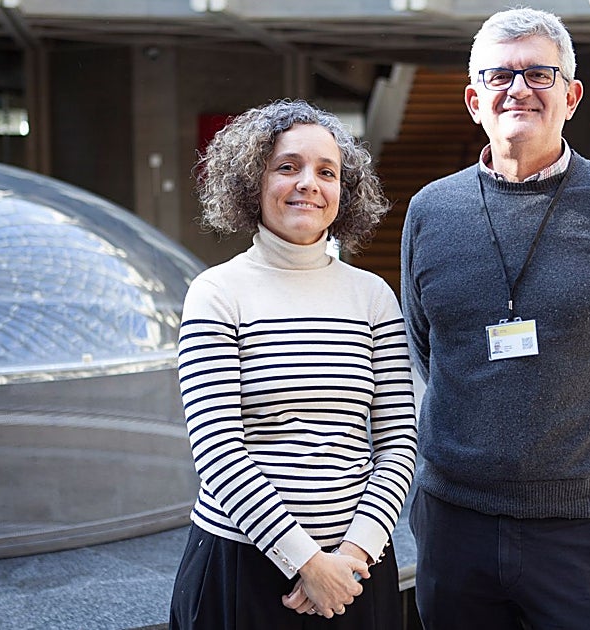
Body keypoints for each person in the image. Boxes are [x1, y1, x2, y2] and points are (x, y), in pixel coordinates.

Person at [399, 8, 590, 630]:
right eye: (500, 75)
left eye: (540, 74)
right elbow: (429, 349)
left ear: (571, 95)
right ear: (473, 98)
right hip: (455, 521)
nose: (519, 89)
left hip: (585, 528)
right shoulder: (430, 210)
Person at [170, 99, 417, 629]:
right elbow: (216, 450)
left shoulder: (372, 295)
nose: (309, 182)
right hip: (243, 567)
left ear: (343, 193)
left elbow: (398, 442)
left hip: (357, 572)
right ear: (251, 182)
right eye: (288, 167)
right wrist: (306, 562)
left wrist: (352, 557)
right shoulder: (217, 292)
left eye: (327, 172)